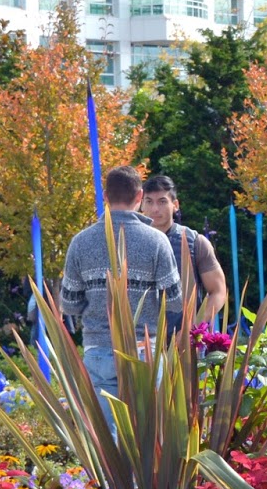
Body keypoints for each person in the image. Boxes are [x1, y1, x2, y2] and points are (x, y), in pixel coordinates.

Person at [60, 166, 182, 414]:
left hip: (98, 350)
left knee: (108, 435)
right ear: (139, 196)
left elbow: (69, 304)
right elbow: (176, 301)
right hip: (143, 350)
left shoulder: (80, 242)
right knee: (146, 436)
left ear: (105, 196)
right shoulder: (157, 241)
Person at [140, 174, 228, 322]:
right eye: (149, 202)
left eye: (162, 201)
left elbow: (218, 291)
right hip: (141, 339)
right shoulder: (130, 243)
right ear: (141, 205)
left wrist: (193, 328)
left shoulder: (195, 242)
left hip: (185, 340)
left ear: (175, 205)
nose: (155, 209)